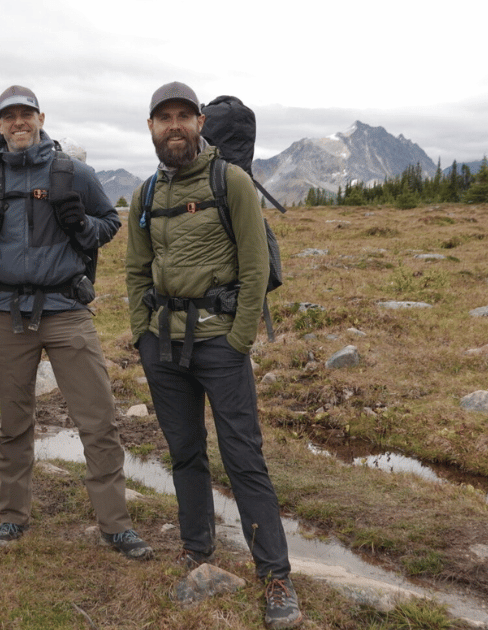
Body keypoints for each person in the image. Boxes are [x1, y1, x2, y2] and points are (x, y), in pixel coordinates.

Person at [124, 82, 303, 629]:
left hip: (220, 344)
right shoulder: (145, 194)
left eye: (184, 116)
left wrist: (238, 339)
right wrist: (141, 334)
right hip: (164, 347)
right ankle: (196, 549)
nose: (174, 126)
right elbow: (135, 270)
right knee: (184, 453)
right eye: (163, 118)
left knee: (244, 459)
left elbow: (253, 267)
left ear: (200, 123)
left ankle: (276, 578)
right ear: (151, 128)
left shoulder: (232, 183)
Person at [0, 86, 152, 560]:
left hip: (67, 310)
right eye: (9, 116)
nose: (18, 123)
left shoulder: (74, 173)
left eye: (26, 114)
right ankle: (12, 518)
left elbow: (109, 223)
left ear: (41, 117)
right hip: (6, 313)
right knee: (15, 421)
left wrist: (81, 225)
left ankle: (115, 526)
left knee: (99, 420)